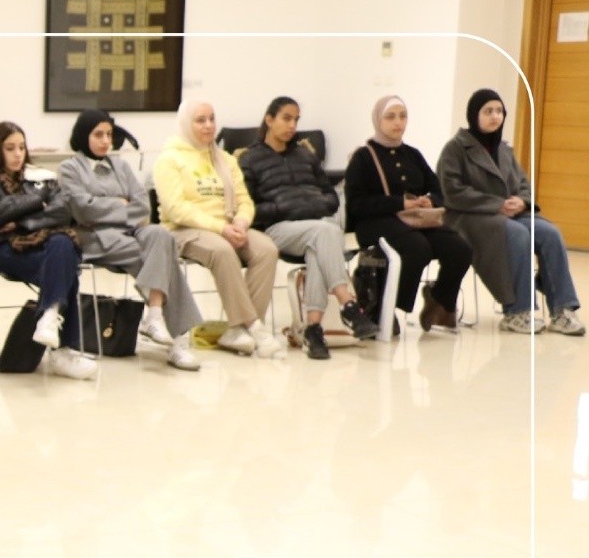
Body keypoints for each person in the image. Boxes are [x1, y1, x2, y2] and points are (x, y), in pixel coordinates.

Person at [53, 112, 204, 372]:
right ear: (83, 135)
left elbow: (143, 206)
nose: (106, 141)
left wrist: (105, 207)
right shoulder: (69, 168)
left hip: (128, 232)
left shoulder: (120, 166)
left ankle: (154, 314)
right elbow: (83, 210)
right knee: (162, 257)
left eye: (109, 135)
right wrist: (120, 204)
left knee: (161, 236)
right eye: (98, 135)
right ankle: (178, 342)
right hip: (95, 239)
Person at [238, 96, 379, 358]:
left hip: (315, 229)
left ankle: (313, 330)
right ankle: (347, 304)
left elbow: (330, 197)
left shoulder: (305, 155)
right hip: (277, 230)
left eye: (296, 120)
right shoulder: (250, 159)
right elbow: (248, 207)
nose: (292, 125)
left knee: (319, 244)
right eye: (286, 118)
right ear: (269, 120)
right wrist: (286, 207)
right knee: (326, 231)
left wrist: (312, 205)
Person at [437, 88, 583, 335]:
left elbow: (523, 184)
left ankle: (562, 311)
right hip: (469, 217)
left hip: (509, 215)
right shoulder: (455, 148)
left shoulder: (505, 150)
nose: (495, 116)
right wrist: (496, 204)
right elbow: (452, 192)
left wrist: (522, 202)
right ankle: (518, 311)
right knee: (517, 234)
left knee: (550, 233)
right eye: (488, 111)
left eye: (499, 111)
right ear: (474, 115)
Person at [154, 100, 286, 358]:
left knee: (267, 249)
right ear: (186, 123)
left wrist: (241, 223)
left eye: (212, 119)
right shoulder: (169, 159)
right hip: (183, 230)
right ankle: (254, 327)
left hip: (227, 226)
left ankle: (237, 330)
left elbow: (244, 200)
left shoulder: (225, 159)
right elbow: (176, 209)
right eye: (200, 120)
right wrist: (221, 228)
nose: (209, 125)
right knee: (222, 250)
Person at [344, 95, 473, 332]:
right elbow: (357, 204)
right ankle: (385, 308)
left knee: (460, 248)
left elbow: (437, 189)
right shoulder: (363, 157)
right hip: (374, 222)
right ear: (377, 120)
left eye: (403, 116)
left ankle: (439, 300)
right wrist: (399, 203)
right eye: (390, 117)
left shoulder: (412, 154)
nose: (398, 122)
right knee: (417, 248)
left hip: (414, 222)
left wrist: (429, 200)